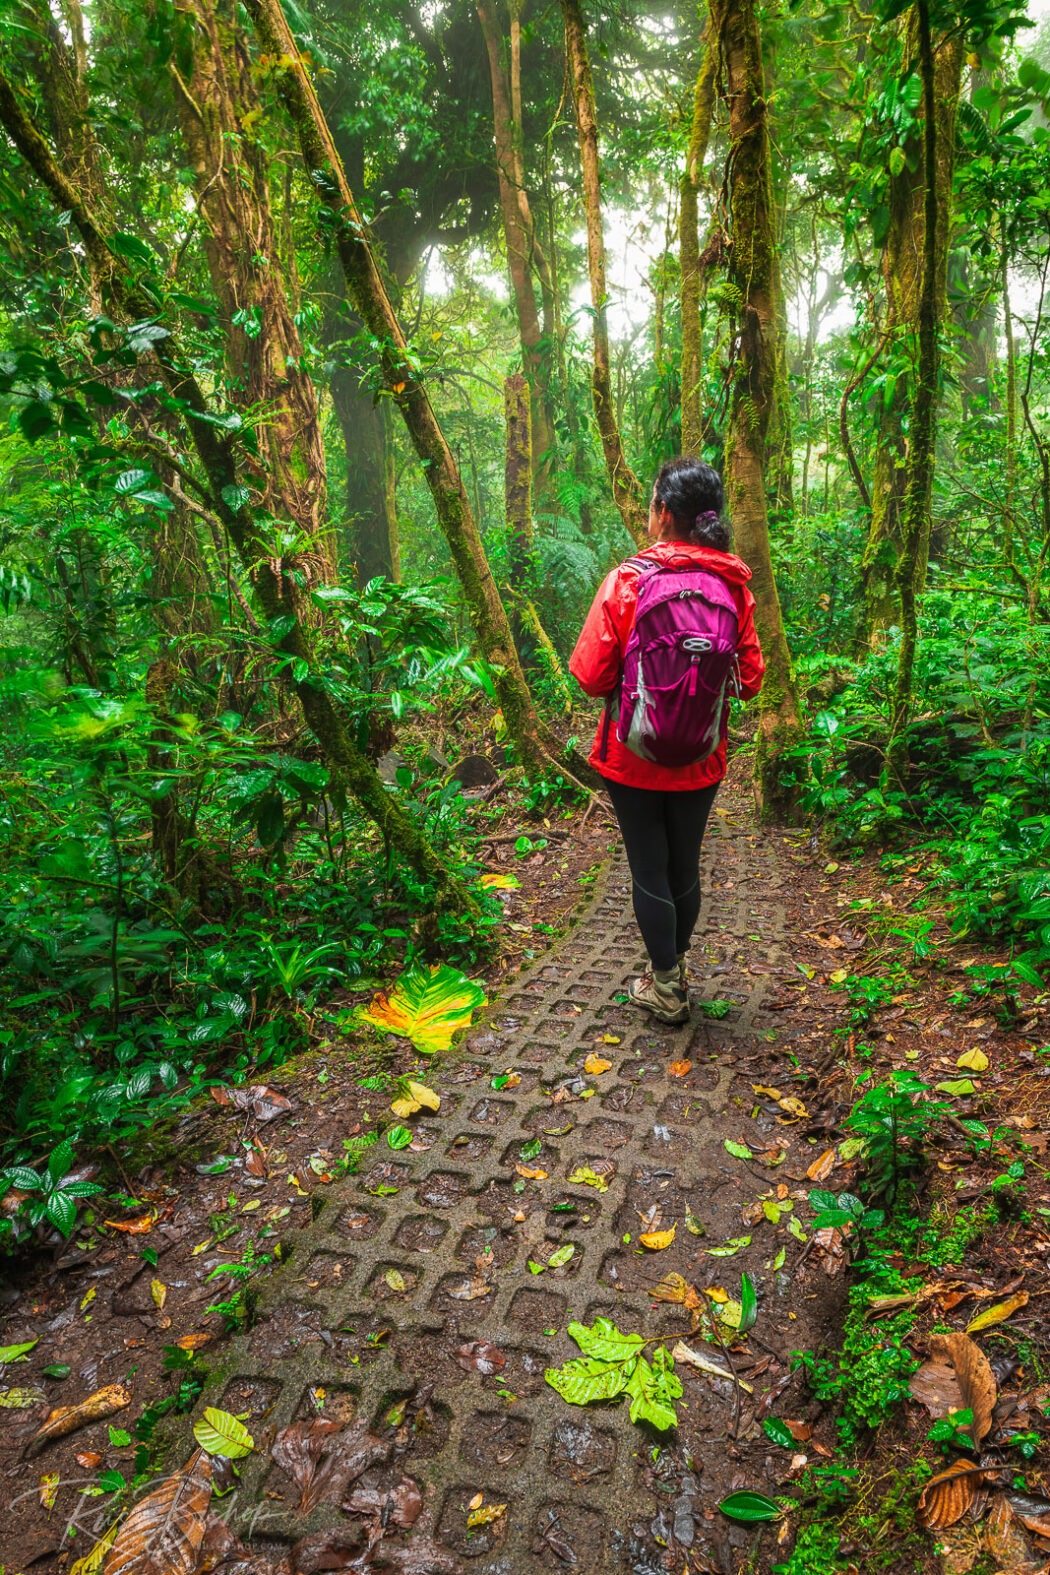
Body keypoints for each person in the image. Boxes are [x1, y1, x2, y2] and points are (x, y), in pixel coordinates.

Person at [569, 457, 765, 1025]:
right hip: (702, 757)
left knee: (648, 869)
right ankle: (676, 974)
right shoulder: (735, 585)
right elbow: (750, 682)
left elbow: (590, 676)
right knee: (684, 868)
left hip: (630, 754)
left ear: (661, 513)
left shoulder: (628, 580)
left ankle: (666, 987)